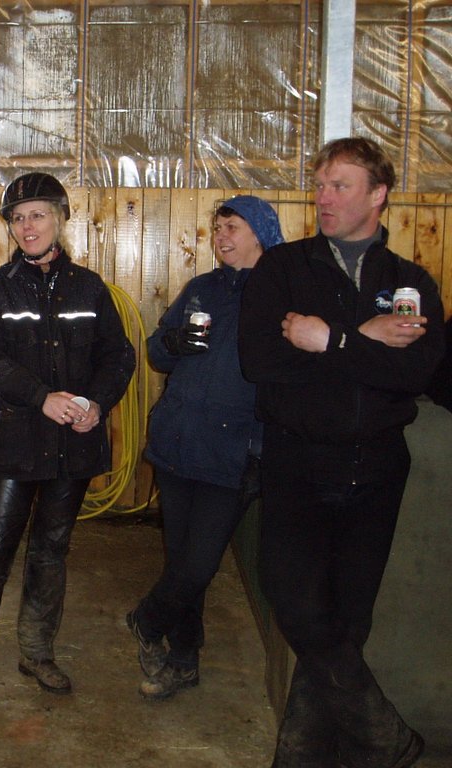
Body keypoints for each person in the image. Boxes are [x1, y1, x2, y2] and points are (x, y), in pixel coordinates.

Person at [238, 137, 445, 768]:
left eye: (340, 186)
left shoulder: (410, 283)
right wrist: (365, 345)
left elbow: (416, 373)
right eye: (320, 185)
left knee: (347, 623)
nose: (323, 198)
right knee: (297, 603)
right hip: (298, 462)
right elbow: (261, 362)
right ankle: (386, 739)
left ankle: (303, 757)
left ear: (378, 195)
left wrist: (331, 341)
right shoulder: (283, 269)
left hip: (377, 468)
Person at [0, 172, 136, 711]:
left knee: (52, 551)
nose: (27, 226)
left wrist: (97, 403)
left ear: (60, 219)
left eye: (38, 215)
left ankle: (36, 651)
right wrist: (41, 397)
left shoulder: (91, 289)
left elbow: (118, 356)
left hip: (72, 444)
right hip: (14, 441)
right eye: (18, 218)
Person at [127, 195, 283, 700]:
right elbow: (157, 351)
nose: (221, 236)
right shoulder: (202, 288)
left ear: (261, 232)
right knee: (181, 561)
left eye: (232, 227)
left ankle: (147, 619)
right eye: (218, 228)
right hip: (178, 442)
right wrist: (173, 344)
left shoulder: (280, 295)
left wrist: (262, 449)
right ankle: (183, 659)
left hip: (233, 452)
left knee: (198, 565)